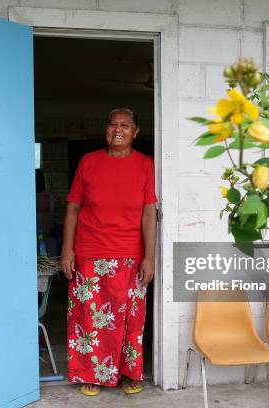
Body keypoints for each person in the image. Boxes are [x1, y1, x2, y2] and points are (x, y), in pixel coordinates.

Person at [61, 108, 157, 396]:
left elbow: (149, 214)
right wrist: (67, 250)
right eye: (113, 124)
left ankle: (129, 373)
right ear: (105, 129)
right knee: (90, 319)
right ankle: (93, 373)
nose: (118, 129)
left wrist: (149, 257)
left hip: (129, 255)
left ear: (136, 131)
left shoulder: (145, 165)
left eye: (125, 125)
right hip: (89, 254)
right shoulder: (89, 162)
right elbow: (73, 208)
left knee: (129, 319)